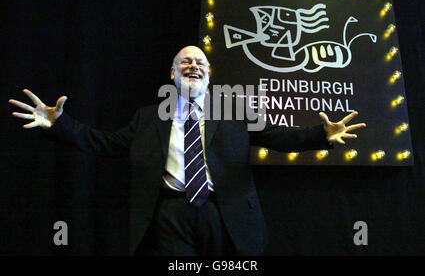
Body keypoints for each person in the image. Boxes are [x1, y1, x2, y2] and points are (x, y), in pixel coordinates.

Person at [9, 45, 366, 256]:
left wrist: (322, 134)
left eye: (199, 63)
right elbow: (106, 143)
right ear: (172, 73)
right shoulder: (148, 118)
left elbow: (278, 137)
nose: (192, 66)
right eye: (185, 62)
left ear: (209, 73)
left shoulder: (234, 110)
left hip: (225, 213)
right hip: (171, 215)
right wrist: (60, 124)